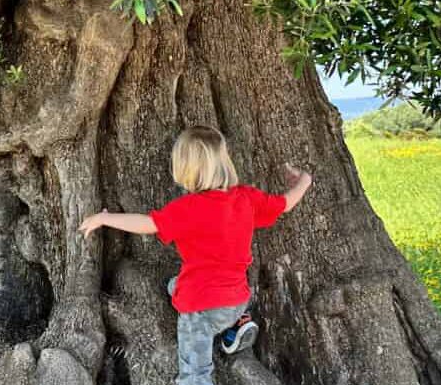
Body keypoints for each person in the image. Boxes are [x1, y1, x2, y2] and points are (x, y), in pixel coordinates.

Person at [78, 125, 313, 385]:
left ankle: (223, 336)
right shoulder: (246, 198)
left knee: (195, 374)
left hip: (200, 310)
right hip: (236, 298)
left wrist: (105, 218)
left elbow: (147, 223)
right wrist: (304, 180)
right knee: (174, 286)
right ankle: (236, 324)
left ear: (185, 168)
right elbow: (286, 203)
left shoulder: (188, 208)